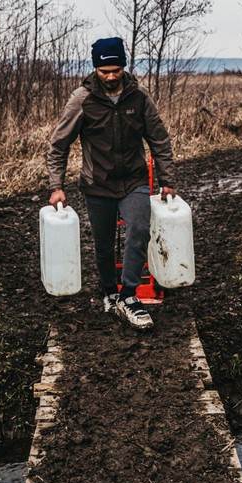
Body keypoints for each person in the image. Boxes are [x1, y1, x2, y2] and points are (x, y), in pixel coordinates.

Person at [46, 37, 178, 330]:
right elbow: (58, 145)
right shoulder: (82, 99)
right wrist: (56, 186)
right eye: (104, 71)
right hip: (98, 184)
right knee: (103, 244)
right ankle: (108, 291)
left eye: (115, 70)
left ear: (123, 67)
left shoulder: (139, 98)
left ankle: (129, 296)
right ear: (96, 69)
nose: (110, 76)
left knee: (139, 230)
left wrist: (168, 179)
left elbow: (159, 140)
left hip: (134, 180)